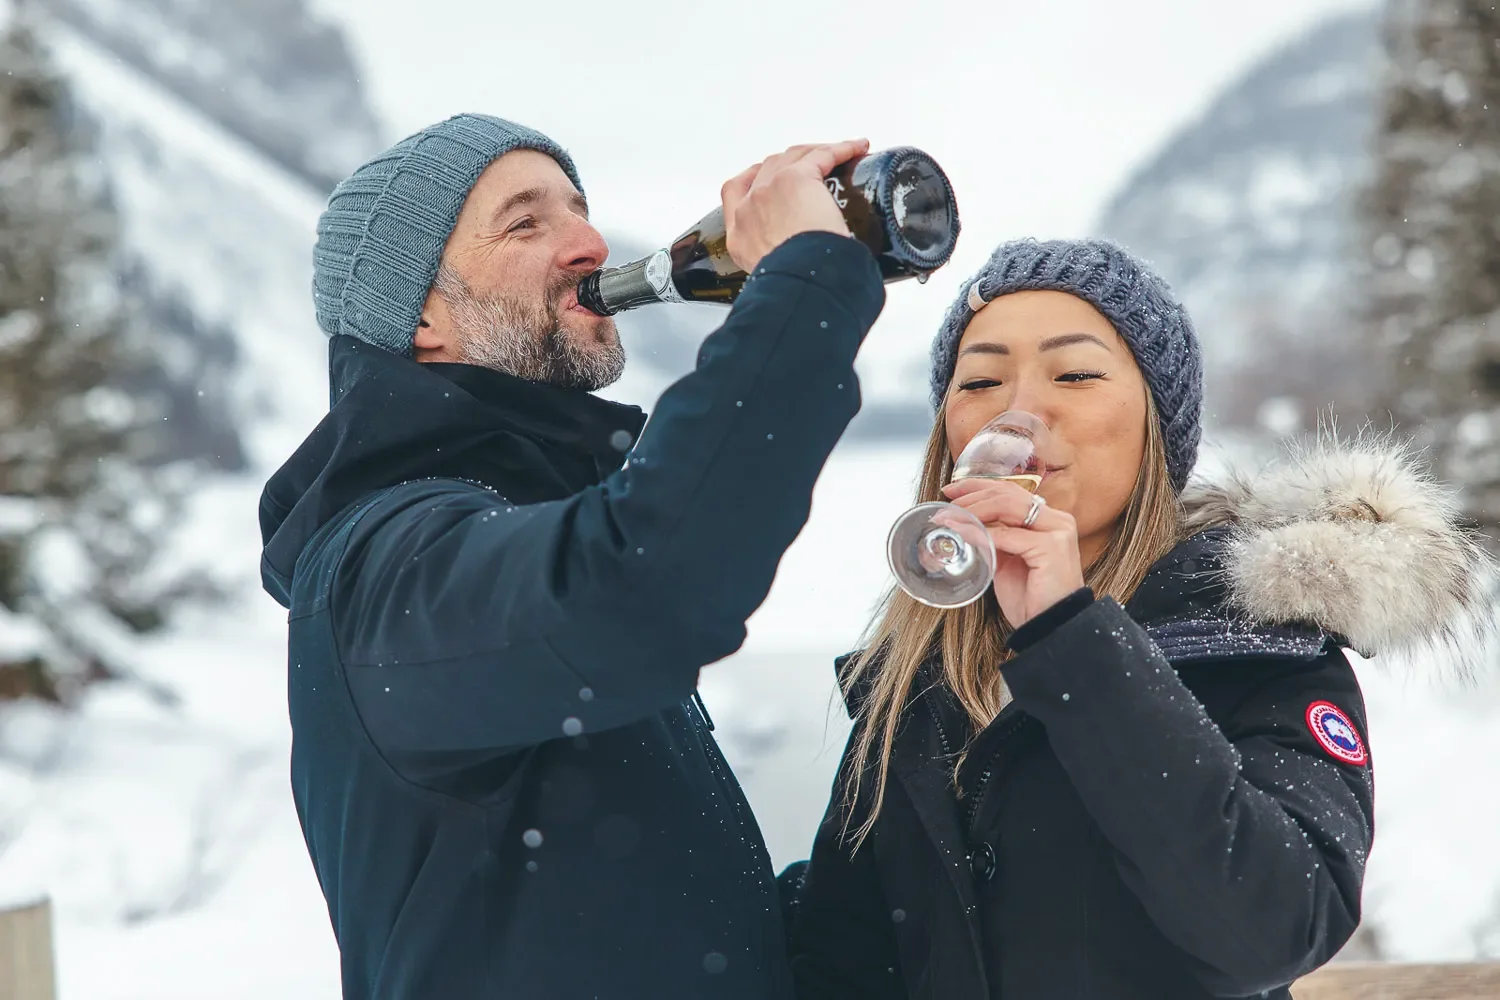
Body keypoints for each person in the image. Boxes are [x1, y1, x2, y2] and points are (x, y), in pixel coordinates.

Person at [257, 113, 888, 999]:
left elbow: (646, 931)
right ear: (423, 317)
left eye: (579, 210)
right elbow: (642, 588)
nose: (590, 243)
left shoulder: (522, 529)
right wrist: (807, 288)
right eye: (526, 222)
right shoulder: (381, 566)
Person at [785, 238, 1488, 1000]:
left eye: (1076, 373)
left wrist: (1070, 638)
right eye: (980, 380)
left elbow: (1275, 930)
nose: (1018, 411)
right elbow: (841, 958)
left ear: (1155, 422)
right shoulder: (915, 680)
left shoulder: (1255, 646)